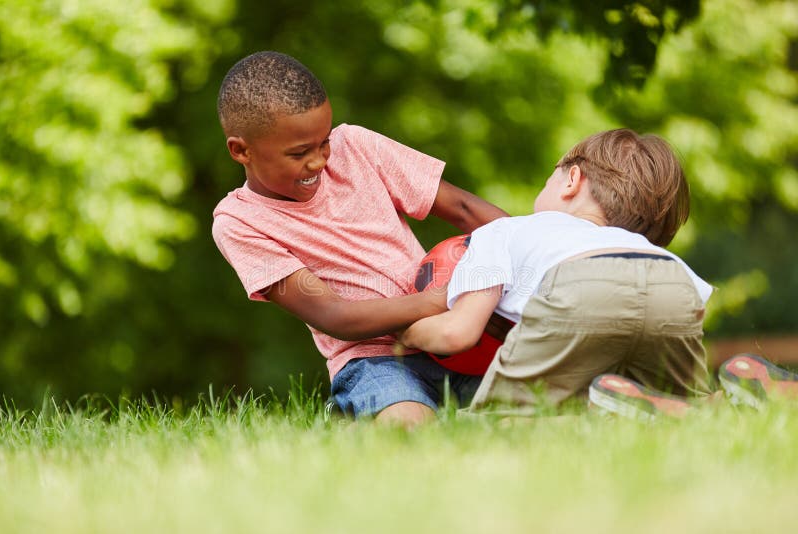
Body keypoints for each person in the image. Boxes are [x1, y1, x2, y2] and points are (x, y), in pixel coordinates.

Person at [211, 51, 508, 427]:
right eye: (299, 153)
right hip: (374, 361)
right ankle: (361, 415)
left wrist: (538, 251)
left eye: (323, 143)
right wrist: (450, 298)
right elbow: (336, 316)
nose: (319, 161)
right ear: (241, 150)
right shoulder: (240, 222)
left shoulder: (355, 147)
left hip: (460, 338)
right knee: (410, 428)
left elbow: (464, 208)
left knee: (552, 401)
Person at [399, 128, 715, 416]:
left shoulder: (506, 230)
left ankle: (597, 412)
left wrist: (407, 335)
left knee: (503, 418)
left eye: (551, 176)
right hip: (674, 282)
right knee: (681, 397)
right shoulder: (635, 243)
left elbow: (457, 332)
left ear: (572, 180)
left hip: (583, 281)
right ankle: (716, 404)